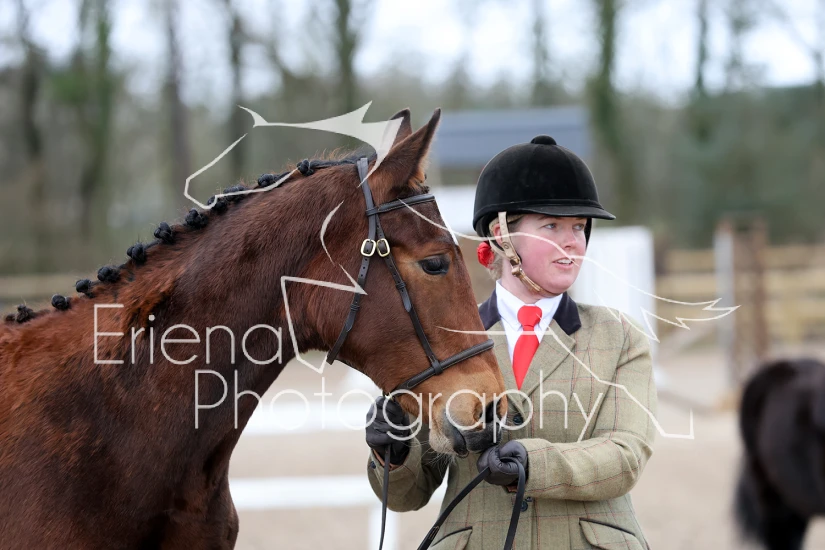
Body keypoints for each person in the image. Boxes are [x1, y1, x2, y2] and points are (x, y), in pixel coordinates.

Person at [364, 135, 658, 550]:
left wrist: (534, 465)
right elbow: (409, 494)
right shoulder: (441, 340)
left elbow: (625, 456)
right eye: (552, 226)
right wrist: (393, 454)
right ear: (502, 235)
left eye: (579, 227)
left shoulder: (621, 338)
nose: (572, 241)